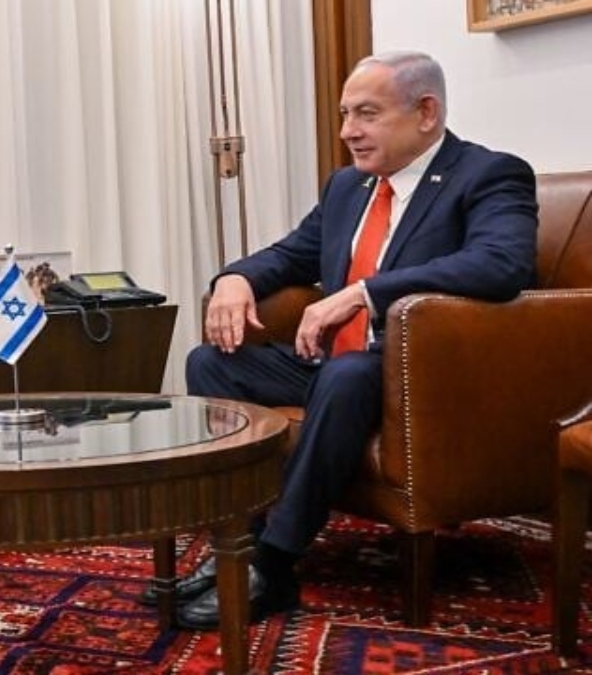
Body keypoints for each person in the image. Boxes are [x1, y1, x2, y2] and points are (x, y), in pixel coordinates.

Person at [144, 51, 538, 628]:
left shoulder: (488, 174)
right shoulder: (348, 187)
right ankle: (243, 544)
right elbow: (291, 254)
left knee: (348, 373)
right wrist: (234, 278)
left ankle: (276, 566)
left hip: (422, 375)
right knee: (213, 362)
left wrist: (364, 293)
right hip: (337, 366)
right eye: (345, 113)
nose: (348, 130)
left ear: (425, 112)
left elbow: (501, 265)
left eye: (367, 114)